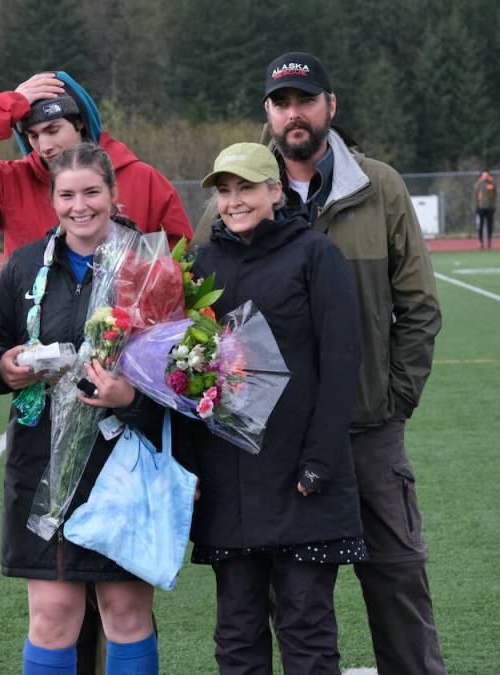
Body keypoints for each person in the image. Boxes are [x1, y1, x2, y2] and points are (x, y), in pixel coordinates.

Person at [191, 52, 446, 674]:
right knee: (288, 603)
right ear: (268, 114)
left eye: (306, 99)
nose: (294, 113)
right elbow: (202, 326)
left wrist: (391, 400)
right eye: (282, 102)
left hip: (366, 429)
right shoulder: (228, 201)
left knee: (396, 582)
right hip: (272, 444)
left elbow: (417, 306)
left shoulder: (378, 186)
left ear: (330, 106)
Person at [0, 143, 165, 675]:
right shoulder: (22, 267)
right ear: (51, 199)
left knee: (125, 611)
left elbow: (180, 378)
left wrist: (130, 398)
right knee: (54, 616)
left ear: (113, 194)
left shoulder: (148, 267)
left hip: (122, 465)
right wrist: (4, 366)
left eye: (91, 192)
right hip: (43, 467)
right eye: (67, 195)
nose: (79, 206)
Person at [181, 142, 364, 672]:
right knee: (237, 636)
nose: (234, 201)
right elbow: (186, 380)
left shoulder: (314, 254)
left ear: (275, 190)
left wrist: (320, 461)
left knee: (306, 630)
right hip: (228, 481)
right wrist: (192, 467)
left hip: (300, 479)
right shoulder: (200, 265)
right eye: (224, 190)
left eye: (247, 188)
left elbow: (340, 363)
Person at [0, 71, 191, 257]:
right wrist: (3, 107)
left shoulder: (142, 179)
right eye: (33, 135)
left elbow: (181, 260)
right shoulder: (10, 182)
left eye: (53, 130)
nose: (44, 146)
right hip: (33, 325)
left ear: (80, 122)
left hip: (122, 325)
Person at [474, 169, 495, 249]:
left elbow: (494, 196)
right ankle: (481, 242)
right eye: (484, 174)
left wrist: (493, 207)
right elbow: (474, 197)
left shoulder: (492, 183)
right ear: (482, 175)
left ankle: (489, 241)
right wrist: (476, 207)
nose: (485, 176)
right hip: (480, 208)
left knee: (490, 225)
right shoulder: (478, 184)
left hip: (489, 208)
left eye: (486, 174)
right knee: (480, 226)